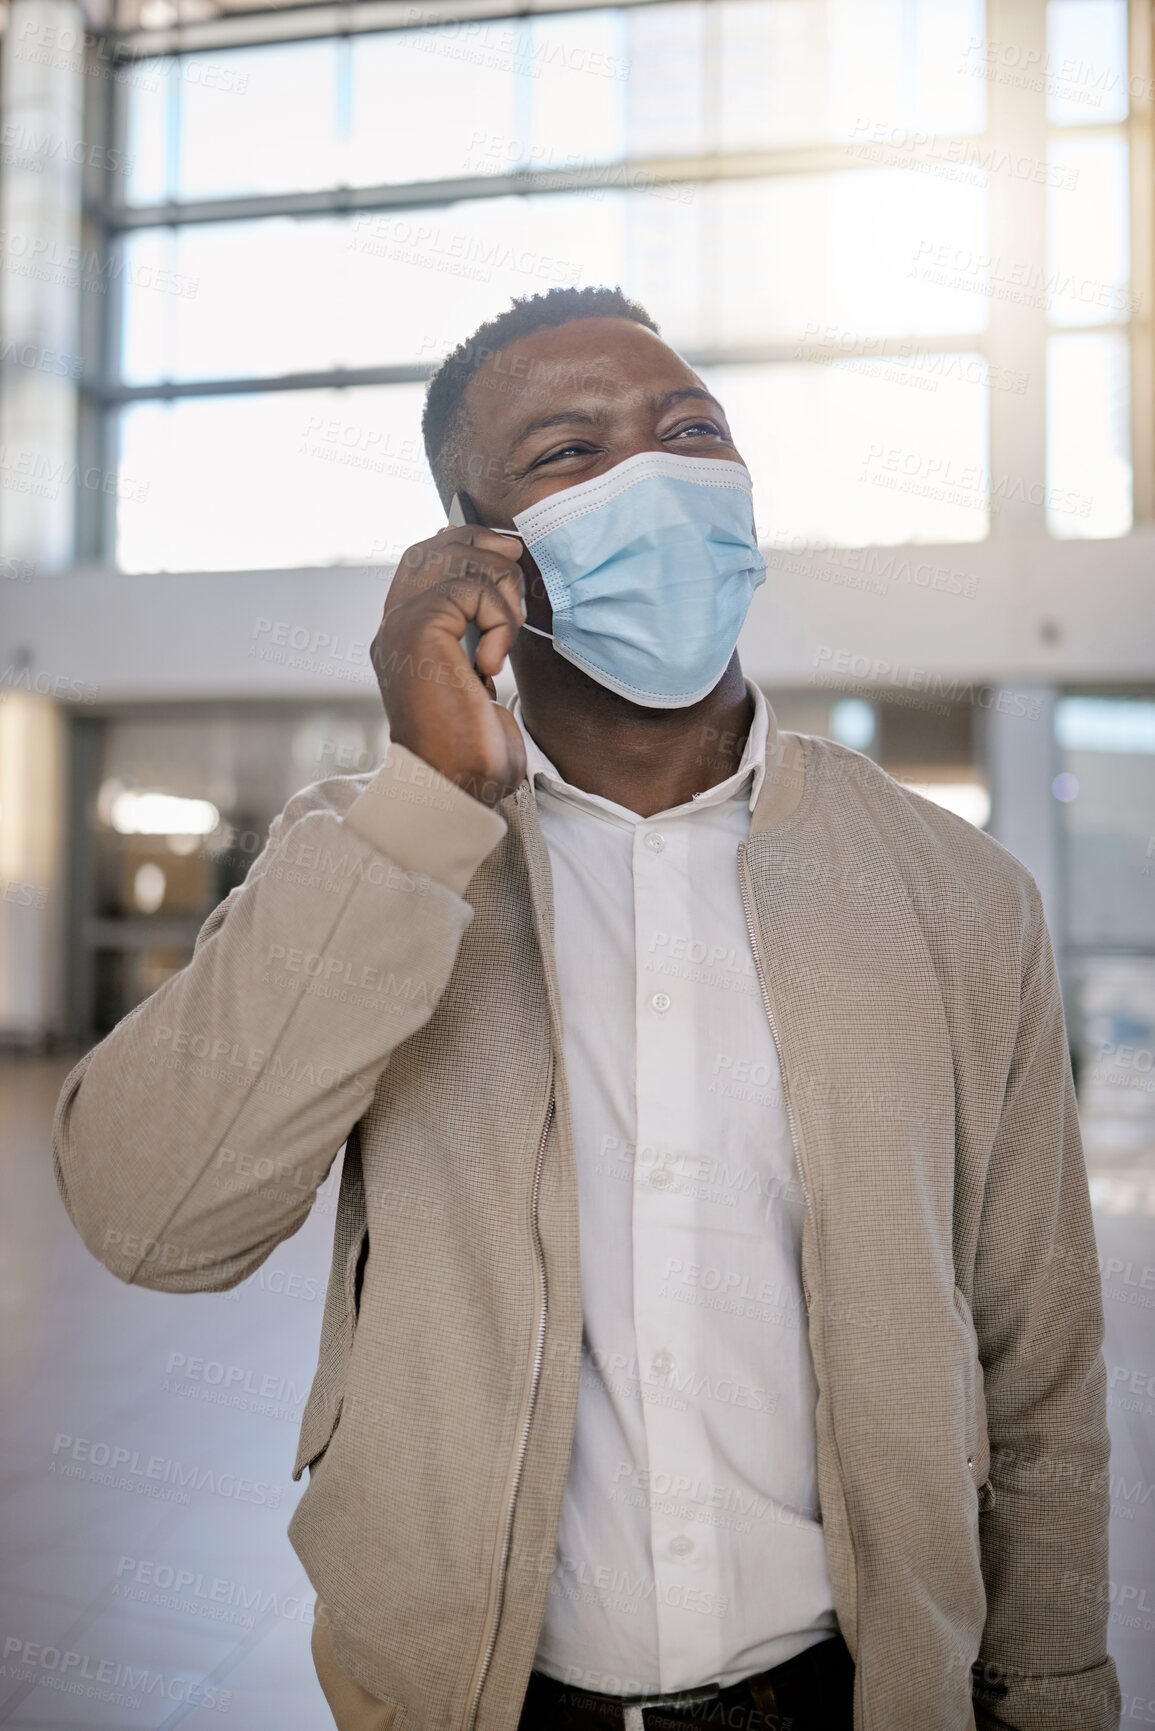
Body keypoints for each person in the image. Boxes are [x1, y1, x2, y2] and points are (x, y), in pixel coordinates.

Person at [53, 286, 1118, 1731]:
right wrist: (427, 805)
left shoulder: (956, 895)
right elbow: (153, 1215)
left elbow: (1037, 1357)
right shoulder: (374, 857)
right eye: (570, 453)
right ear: (478, 555)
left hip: (856, 1689)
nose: (656, 477)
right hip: (474, 1696)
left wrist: (1053, 1691)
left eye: (693, 433)